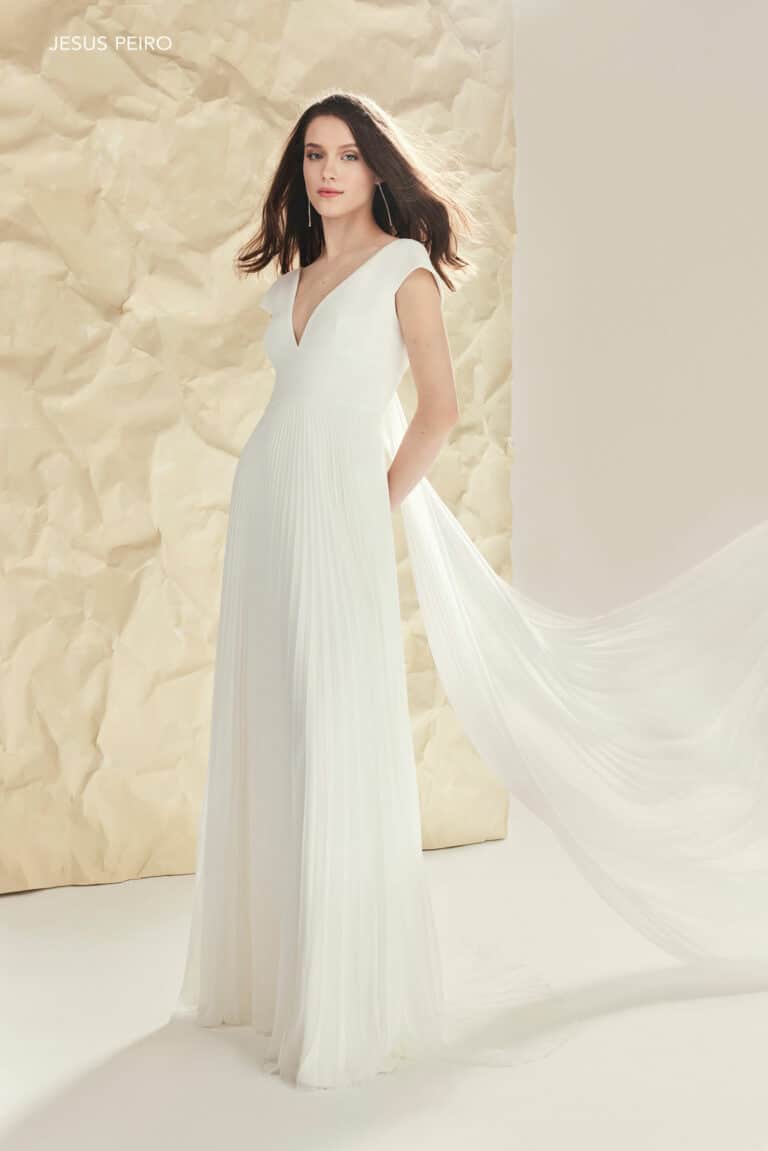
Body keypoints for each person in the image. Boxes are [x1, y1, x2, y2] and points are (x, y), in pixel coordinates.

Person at [171, 91, 768, 1090]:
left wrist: (370, 503)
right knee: (271, 714)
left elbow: (440, 410)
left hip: (339, 511)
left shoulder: (403, 269)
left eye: (347, 155)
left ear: (376, 169)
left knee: (333, 720)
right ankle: (272, 979)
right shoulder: (294, 279)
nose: (328, 172)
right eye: (314, 155)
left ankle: (340, 1001)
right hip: (266, 503)